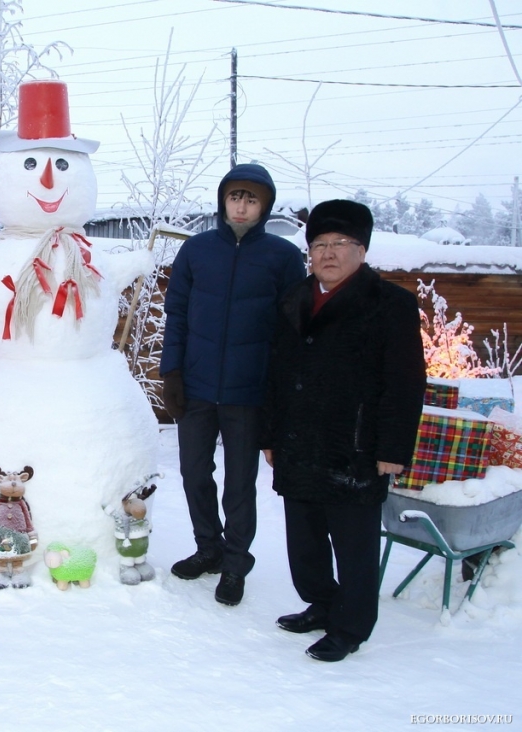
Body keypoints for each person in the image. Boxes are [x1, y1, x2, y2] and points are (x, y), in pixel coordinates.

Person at [262, 199, 425, 662]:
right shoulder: (294, 299)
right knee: (305, 540)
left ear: (362, 250)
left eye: (340, 244)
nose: (328, 253)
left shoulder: (390, 304)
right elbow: (276, 371)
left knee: (353, 546)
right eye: (319, 245)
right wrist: (271, 435)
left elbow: (405, 381)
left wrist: (392, 448)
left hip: (354, 446)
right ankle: (321, 601)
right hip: (298, 443)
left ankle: (351, 626)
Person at [160, 164, 305, 606]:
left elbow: (291, 332)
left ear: (264, 206)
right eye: (235, 197)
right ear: (223, 201)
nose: (242, 206)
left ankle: (236, 562)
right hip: (198, 386)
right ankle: (210, 548)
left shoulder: (282, 257)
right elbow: (177, 315)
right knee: (193, 473)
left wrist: (278, 393)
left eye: (252, 199)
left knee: (240, 484)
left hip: (249, 391)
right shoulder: (197, 251)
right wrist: (172, 373)